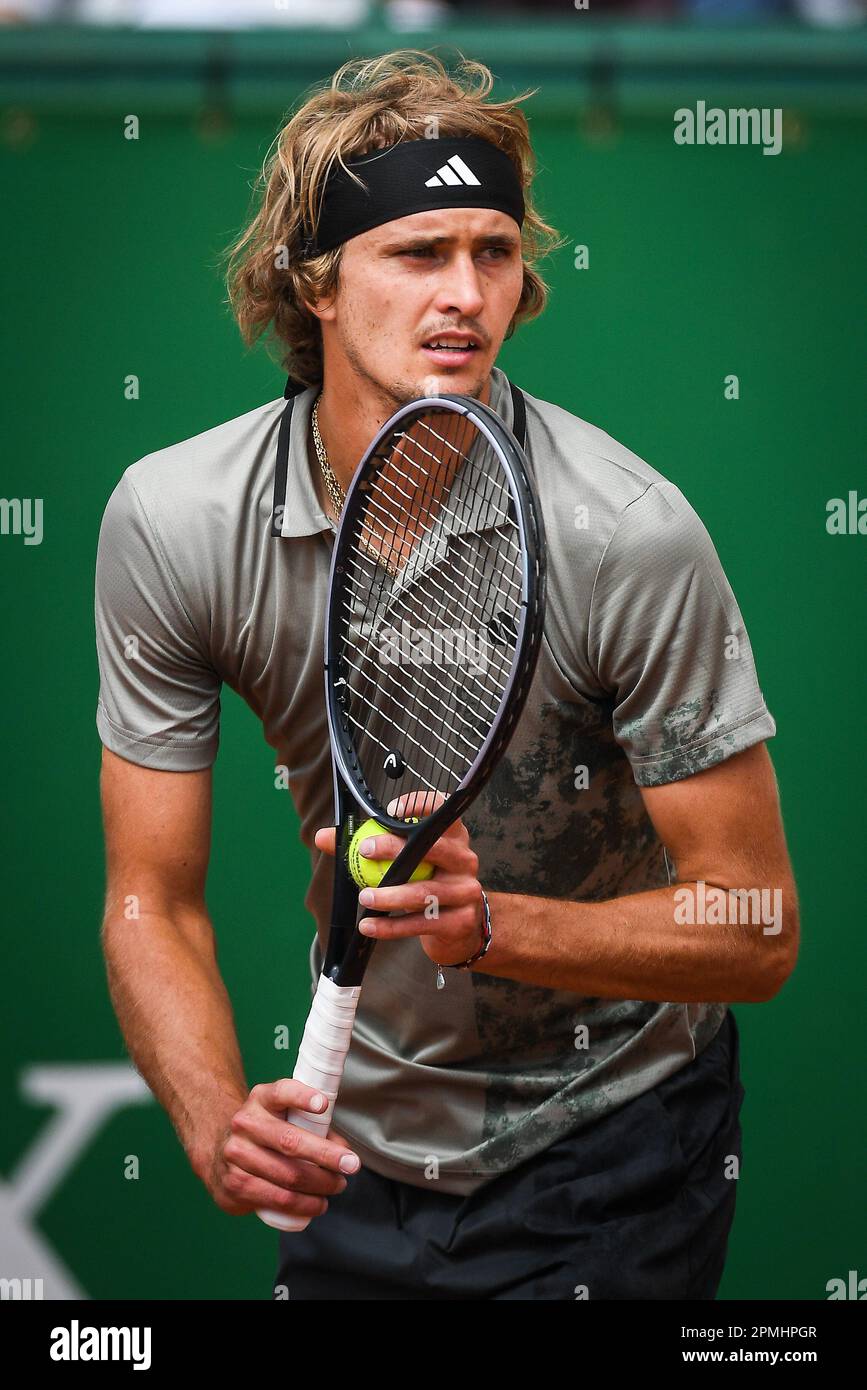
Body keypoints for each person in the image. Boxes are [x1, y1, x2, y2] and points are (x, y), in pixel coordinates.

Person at [95, 49, 799, 1301]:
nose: (465, 293)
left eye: (494, 251)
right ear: (311, 282)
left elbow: (756, 921)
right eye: (418, 252)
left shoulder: (628, 531)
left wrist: (498, 928)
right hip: (351, 1140)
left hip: (612, 1147)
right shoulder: (176, 520)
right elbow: (153, 898)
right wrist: (213, 1118)